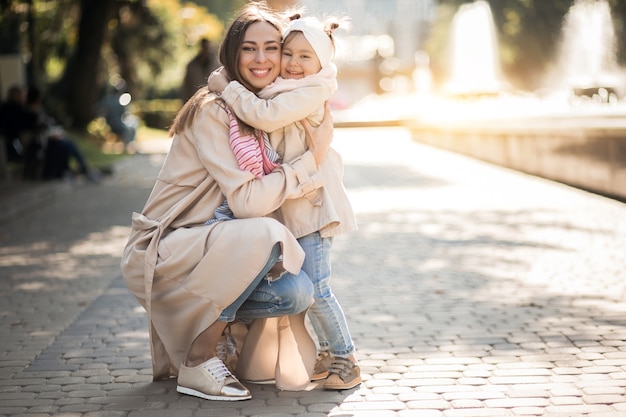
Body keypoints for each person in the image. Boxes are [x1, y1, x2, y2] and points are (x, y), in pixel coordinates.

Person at [120, 2, 335, 402]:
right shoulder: (213, 111)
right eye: (249, 48)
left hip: (212, 244)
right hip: (172, 248)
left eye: (273, 48)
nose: (262, 59)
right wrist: (312, 162)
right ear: (231, 53)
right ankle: (199, 358)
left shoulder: (258, 111)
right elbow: (249, 203)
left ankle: (225, 340)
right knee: (267, 233)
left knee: (295, 291)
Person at [207, 12, 360, 390]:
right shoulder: (284, 88)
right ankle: (328, 351)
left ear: (321, 62)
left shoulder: (312, 91)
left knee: (318, 288)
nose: (293, 64)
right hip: (294, 207)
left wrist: (227, 86)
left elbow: (266, 117)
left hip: (312, 208)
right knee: (308, 285)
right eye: (288, 54)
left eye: (305, 57)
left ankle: (346, 356)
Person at [180, 38, 220, 103]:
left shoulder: (217, 66)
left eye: (208, 48)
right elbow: (186, 88)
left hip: (212, 103)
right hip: (194, 103)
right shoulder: (192, 66)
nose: (206, 50)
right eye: (204, 47)